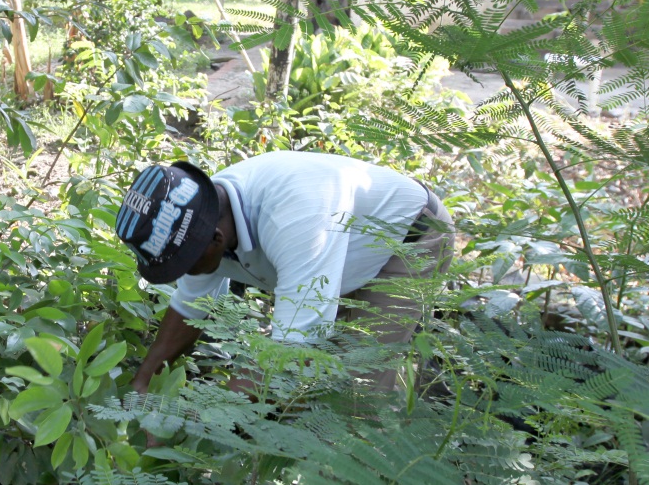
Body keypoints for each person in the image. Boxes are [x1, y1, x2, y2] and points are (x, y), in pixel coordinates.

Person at [114, 151, 452, 393]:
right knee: (311, 395)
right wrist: (140, 386)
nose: (181, 274)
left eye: (183, 265)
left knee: (356, 394)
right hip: (340, 249)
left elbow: (293, 352)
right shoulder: (202, 214)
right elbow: (190, 310)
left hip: (407, 240)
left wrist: (198, 418)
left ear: (215, 242)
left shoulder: (296, 223)